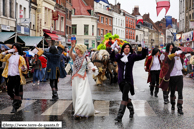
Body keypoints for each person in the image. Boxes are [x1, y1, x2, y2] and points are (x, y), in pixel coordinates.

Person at [113, 43, 148, 122]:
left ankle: (119, 116)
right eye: (125, 47)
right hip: (121, 80)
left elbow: (142, 56)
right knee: (125, 96)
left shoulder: (132, 56)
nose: (127, 49)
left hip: (128, 80)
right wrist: (112, 50)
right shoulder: (119, 56)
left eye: (128, 47)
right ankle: (131, 110)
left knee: (124, 96)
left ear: (130, 49)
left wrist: (144, 48)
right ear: (123, 49)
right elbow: (112, 58)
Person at [69, 41, 97, 119]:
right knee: (77, 95)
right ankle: (78, 110)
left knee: (81, 95)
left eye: (77, 49)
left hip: (82, 79)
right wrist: (72, 47)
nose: (75, 50)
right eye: (75, 49)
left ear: (80, 50)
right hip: (75, 79)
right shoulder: (74, 57)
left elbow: (90, 64)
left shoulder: (86, 58)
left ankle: (79, 112)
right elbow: (70, 53)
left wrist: (93, 68)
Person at [0, 43, 27, 113]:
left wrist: (24, 69)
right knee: (9, 91)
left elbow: (25, 69)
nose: (13, 48)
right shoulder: (8, 56)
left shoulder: (21, 58)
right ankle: (18, 100)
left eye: (15, 47)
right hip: (10, 76)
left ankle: (15, 107)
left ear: (18, 49)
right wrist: (5, 52)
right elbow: (0, 58)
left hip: (17, 77)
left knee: (17, 91)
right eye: (13, 47)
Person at [160, 47, 184, 115]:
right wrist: (175, 54)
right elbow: (167, 58)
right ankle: (173, 104)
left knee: (180, 92)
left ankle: (179, 107)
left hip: (180, 76)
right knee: (172, 91)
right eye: (178, 52)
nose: (179, 54)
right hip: (172, 77)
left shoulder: (181, 59)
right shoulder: (171, 59)